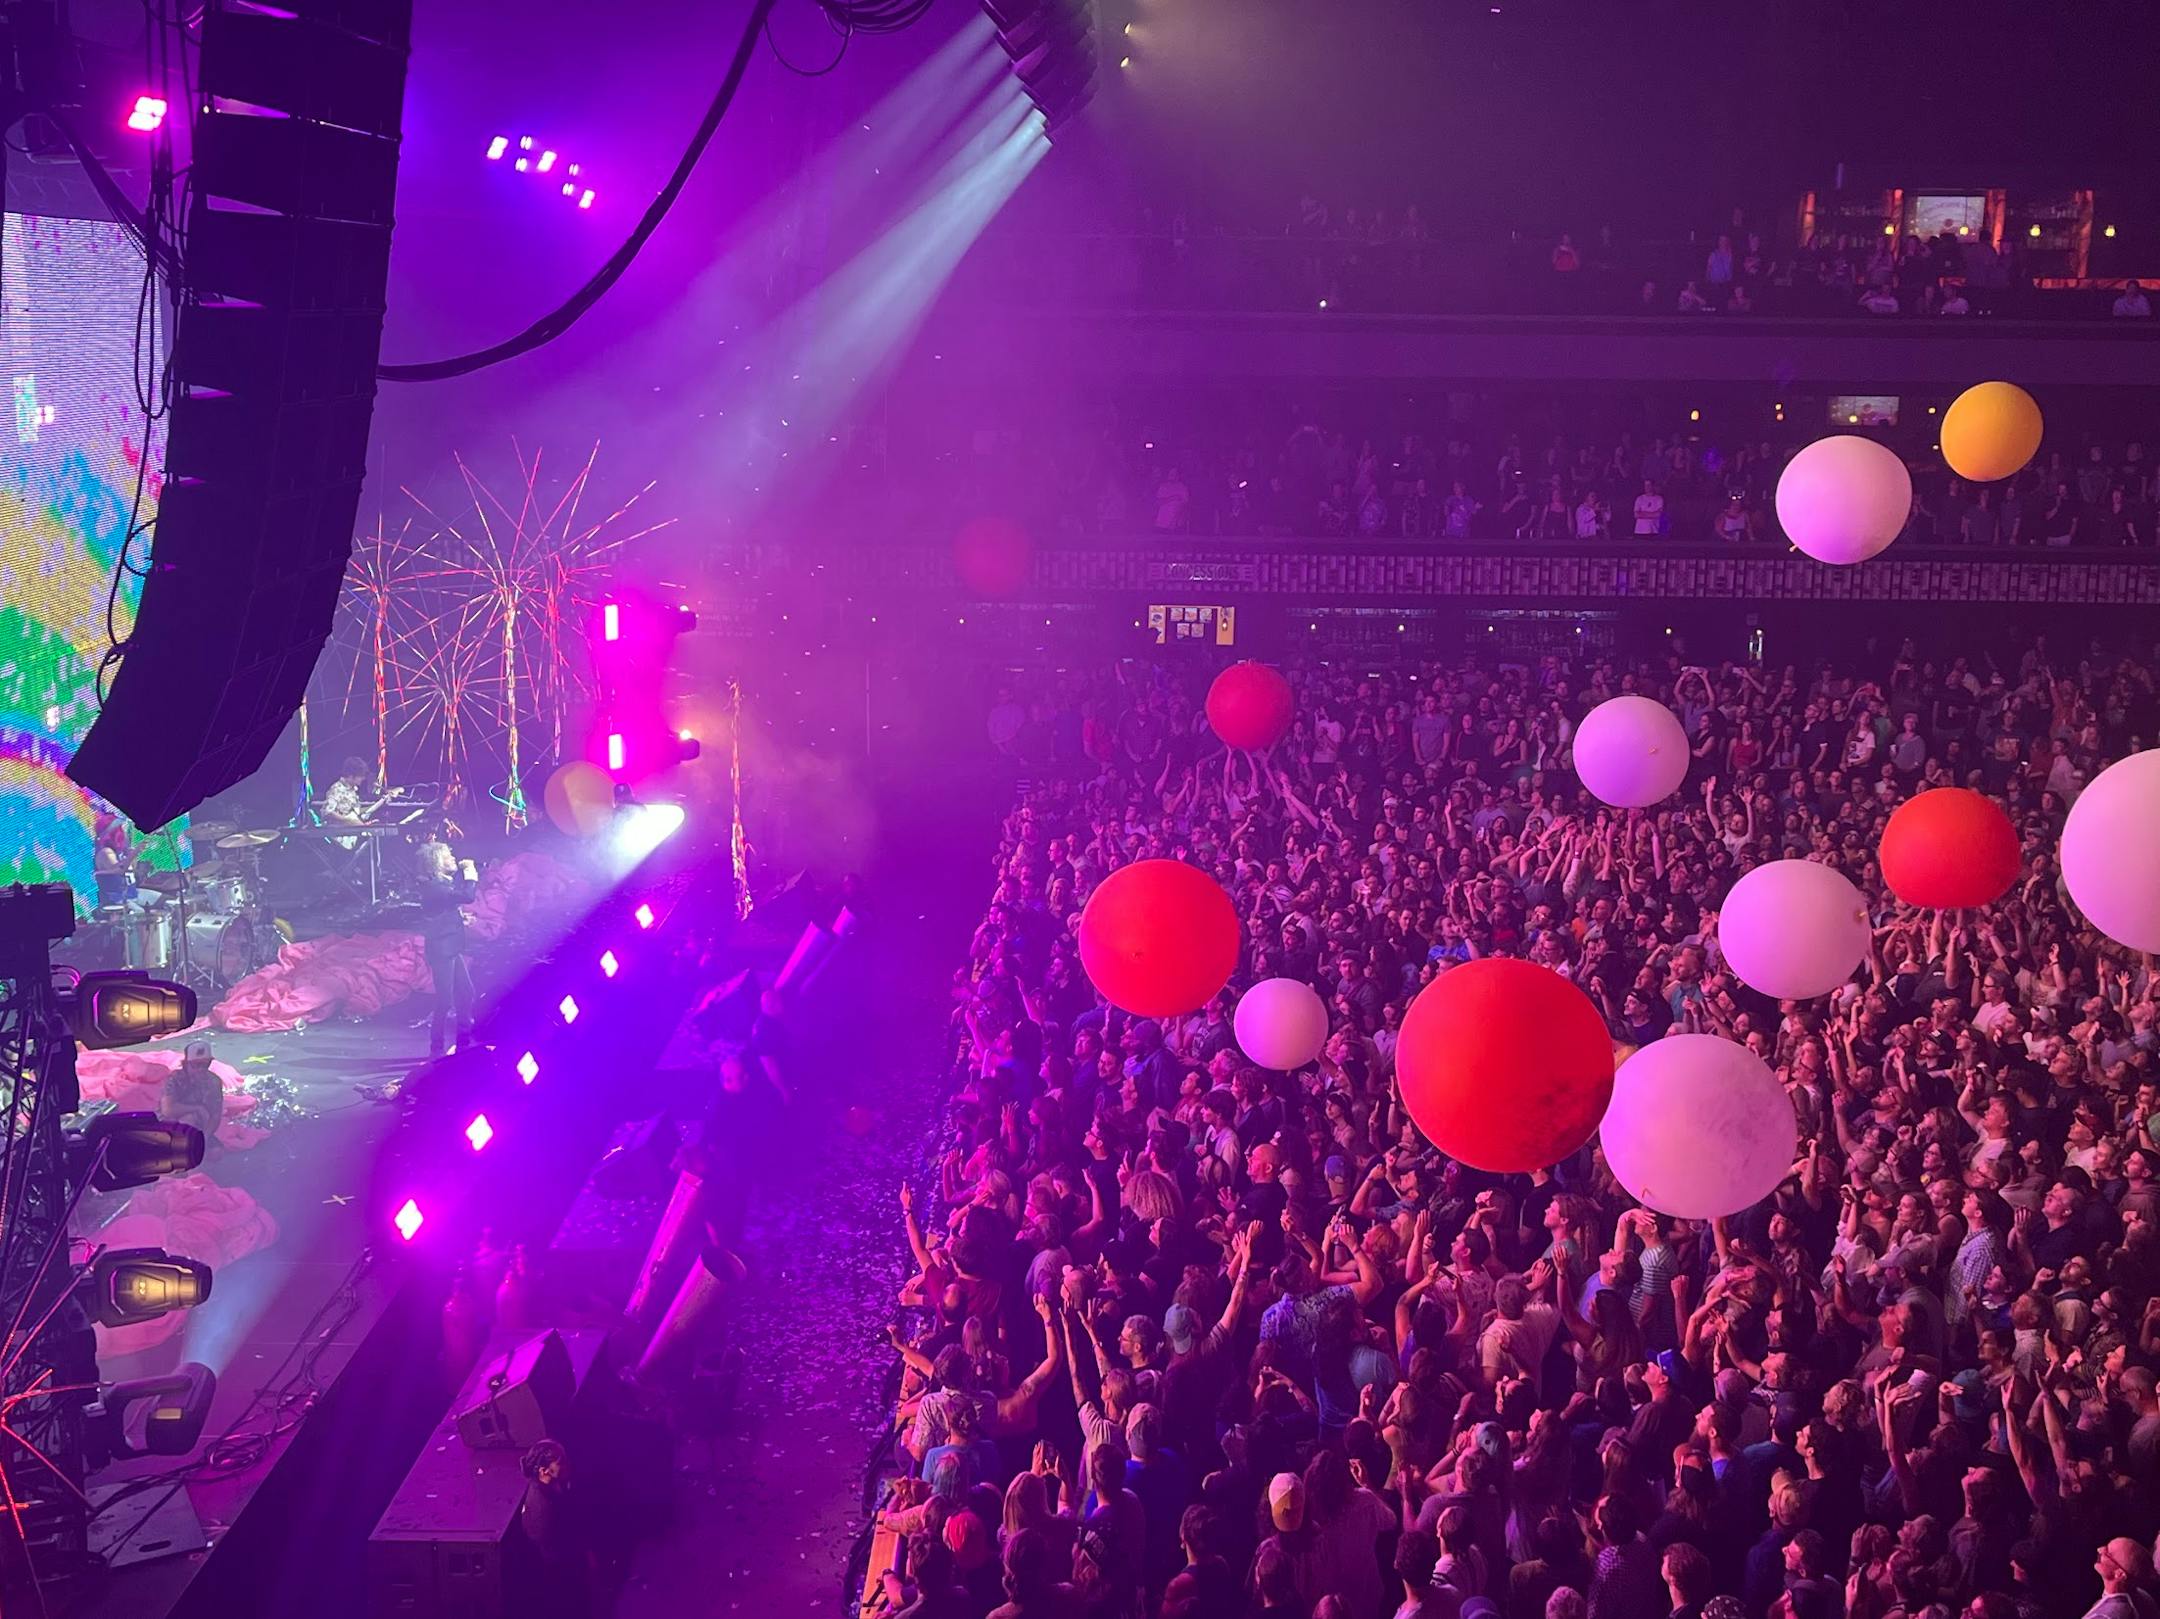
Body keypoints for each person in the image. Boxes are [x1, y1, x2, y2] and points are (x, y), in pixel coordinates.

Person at [415, 833, 479, 1057]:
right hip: (442, 949)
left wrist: (459, 918)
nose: (453, 858)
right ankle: (437, 1047)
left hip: (450, 945)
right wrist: (470, 873)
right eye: (447, 856)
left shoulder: (441, 884)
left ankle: (464, 1040)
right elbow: (467, 896)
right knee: (445, 1000)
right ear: (436, 862)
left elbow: (443, 909)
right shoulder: (436, 887)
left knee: (466, 992)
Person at [159, 1038, 224, 1148]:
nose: (201, 1069)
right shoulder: (174, 1079)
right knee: (189, 1120)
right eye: (196, 1065)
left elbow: (215, 1115)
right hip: (170, 1124)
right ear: (186, 1064)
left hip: (199, 1125)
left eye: (206, 1064)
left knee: (216, 1151)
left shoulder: (214, 1081)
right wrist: (197, 1108)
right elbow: (168, 1110)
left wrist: (205, 1137)